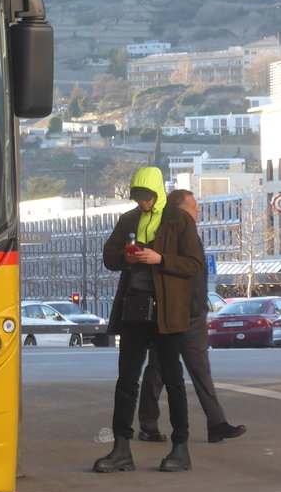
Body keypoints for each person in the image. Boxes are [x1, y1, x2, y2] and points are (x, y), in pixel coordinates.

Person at [93, 167, 203, 474]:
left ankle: (180, 448)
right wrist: (126, 257)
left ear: (158, 193)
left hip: (168, 313)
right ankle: (121, 449)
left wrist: (161, 259)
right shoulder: (128, 220)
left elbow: (194, 264)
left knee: (173, 380)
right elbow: (109, 256)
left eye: (147, 198)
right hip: (135, 310)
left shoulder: (178, 221)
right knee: (126, 380)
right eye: (138, 198)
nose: (143, 203)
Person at [136, 189, 247, 445]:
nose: (198, 210)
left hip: (195, 315)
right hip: (171, 315)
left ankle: (217, 424)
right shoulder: (165, 233)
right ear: (180, 209)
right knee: (158, 370)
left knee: (201, 371)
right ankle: (148, 424)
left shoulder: (190, 234)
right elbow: (183, 267)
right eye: (194, 205)